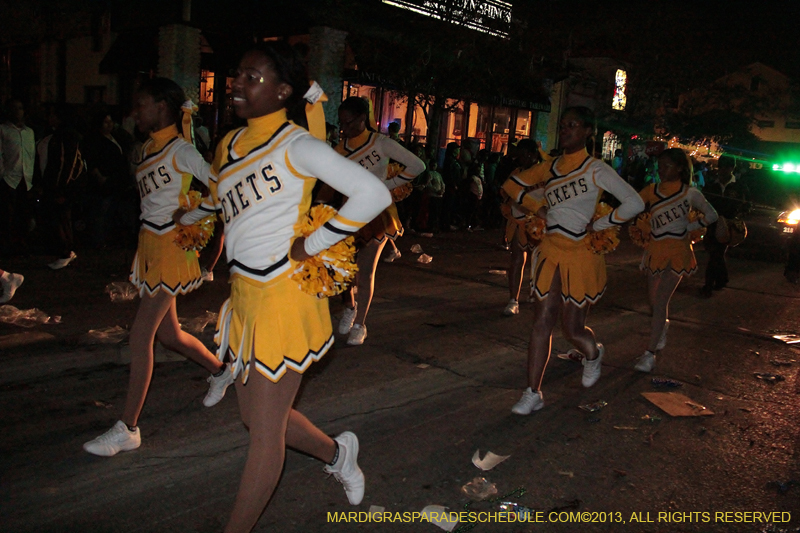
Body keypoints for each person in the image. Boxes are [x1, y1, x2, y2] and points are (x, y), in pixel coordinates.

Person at [178, 42, 391, 533]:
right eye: (237, 74)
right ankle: (338, 454)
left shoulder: (298, 144)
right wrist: (184, 216)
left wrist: (313, 242)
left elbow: (372, 193)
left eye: (253, 77)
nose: (237, 83)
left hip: (285, 298)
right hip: (246, 298)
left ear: (282, 91)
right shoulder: (227, 146)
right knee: (257, 421)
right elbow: (219, 201)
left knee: (264, 434)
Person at [82, 78, 235, 458]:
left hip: (170, 248)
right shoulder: (148, 147)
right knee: (169, 335)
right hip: (149, 243)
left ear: (163, 107)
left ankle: (128, 428)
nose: (136, 111)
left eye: (143, 103)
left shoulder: (181, 149)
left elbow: (220, 187)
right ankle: (221, 370)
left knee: (140, 337)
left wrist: (193, 215)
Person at [502, 106, 644, 414]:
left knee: (573, 328)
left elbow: (635, 201)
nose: (565, 130)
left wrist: (602, 224)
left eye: (573, 125)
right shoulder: (549, 167)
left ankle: (592, 354)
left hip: (580, 252)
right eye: (563, 125)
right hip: (551, 249)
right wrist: (536, 208)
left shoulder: (596, 168)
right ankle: (533, 392)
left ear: (587, 132)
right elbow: (511, 186)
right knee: (541, 322)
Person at [335, 96, 425, 345]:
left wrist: (386, 184)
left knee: (365, 272)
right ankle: (350, 308)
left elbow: (417, 165)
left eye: (349, 122)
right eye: (341, 122)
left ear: (362, 119)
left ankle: (360, 324)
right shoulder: (340, 148)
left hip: (375, 213)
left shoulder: (381, 143)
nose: (344, 127)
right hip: (347, 212)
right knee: (341, 268)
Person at [634, 148, 717, 372]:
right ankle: (663, 327)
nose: (662, 170)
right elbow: (632, 204)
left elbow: (712, 215)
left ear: (680, 168)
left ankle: (649, 353)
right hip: (655, 250)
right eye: (659, 166)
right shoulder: (651, 190)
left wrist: (688, 228)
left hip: (678, 251)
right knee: (654, 301)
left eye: (667, 166)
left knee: (660, 301)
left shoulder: (690, 193)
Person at [500, 139, 540, 316]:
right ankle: (513, 299)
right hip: (518, 222)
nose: (519, 158)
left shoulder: (543, 173)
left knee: (538, 260)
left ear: (531, 155)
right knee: (517, 259)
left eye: (522, 155)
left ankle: (535, 291)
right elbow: (505, 193)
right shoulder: (516, 173)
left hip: (539, 223)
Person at [700, 155, 749, 296]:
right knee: (715, 253)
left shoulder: (739, 187)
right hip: (712, 223)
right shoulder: (712, 185)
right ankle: (722, 279)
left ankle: (708, 286)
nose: (723, 170)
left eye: (726, 167)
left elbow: (746, 206)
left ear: (732, 168)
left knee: (717, 253)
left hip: (728, 225)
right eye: (721, 167)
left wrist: (737, 216)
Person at [0, 99, 35, 258]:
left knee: (24, 213)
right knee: (8, 214)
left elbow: (31, 155)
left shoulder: (29, 132)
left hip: (25, 178)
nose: (18, 112)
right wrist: (3, 173)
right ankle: (8, 244)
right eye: (14, 109)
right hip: (10, 178)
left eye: (20, 108)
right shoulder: (3, 130)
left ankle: (21, 242)